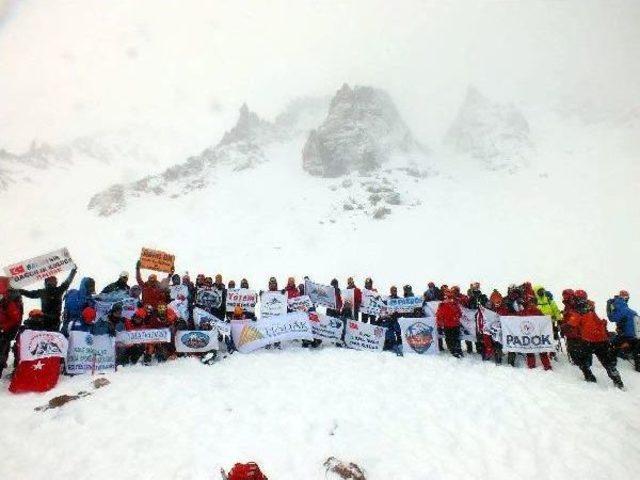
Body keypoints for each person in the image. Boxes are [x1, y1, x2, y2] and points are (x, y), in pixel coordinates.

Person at [566, 293, 624, 388]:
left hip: (588, 340)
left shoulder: (578, 311)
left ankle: (589, 376)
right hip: (602, 339)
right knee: (607, 361)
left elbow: (572, 324)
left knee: (581, 358)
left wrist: (563, 326)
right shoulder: (591, 308)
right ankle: (618, 380)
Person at [16, 267, 77, 331]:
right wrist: (18, 290)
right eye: (51, 281)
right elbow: (30, 294)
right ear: (46, 282)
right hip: (47, 320)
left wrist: (73, 272)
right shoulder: (46, 291)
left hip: (52, 320)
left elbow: (67, 282)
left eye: (54, 281)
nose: (52, 282)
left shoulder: (58, 290)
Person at [607, 290, 639, 371]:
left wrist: (608, 307)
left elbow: (612, 318)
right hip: (635, 337)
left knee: (611, 344)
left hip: (625, 337)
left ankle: (611, 363)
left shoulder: (619, 307)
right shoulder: (632, 312)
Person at [0, 276, 23, 378]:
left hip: (5, 330)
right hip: (5, 330)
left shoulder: (7, 302)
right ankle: (3, 362)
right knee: (4, 347)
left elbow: (15, 318)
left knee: (2, 347)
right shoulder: (7, 300)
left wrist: (3, 327)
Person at [534, 285, 562, 356]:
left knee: (551, 337)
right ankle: (543, 351)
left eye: (542, 290)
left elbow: (555, 310)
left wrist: (559, 319)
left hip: (550, 322)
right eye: (539, 291)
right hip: (539, 323)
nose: (541, 292)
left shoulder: (549, 300)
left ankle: (552, 351)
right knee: (542, 337)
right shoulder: (534, 301)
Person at [436, 288, 463, 358]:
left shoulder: (442, 304)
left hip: (447, 324)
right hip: (455, 324)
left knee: (449, 338)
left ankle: (453, 350)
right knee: (456, 337)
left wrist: (439, 324)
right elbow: (460, 314)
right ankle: (458, 350)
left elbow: (439, 315)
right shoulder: (455, 303)